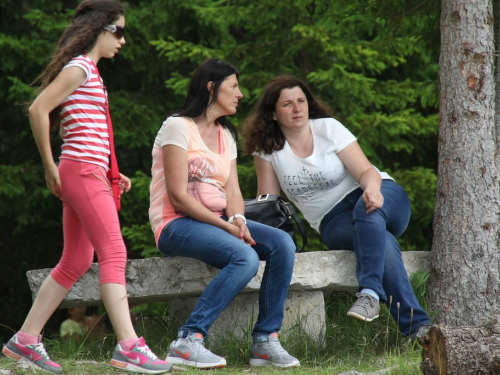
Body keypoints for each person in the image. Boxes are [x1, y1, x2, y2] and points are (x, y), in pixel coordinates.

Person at [1, 1, 171, 373]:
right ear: (101, 28)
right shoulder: (79, 67)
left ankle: (25, 341)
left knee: (76, 261)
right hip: (80, 171)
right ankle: (128, 347)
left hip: (88, 169)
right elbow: (37, 109)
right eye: (120, 31)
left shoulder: (89, 71)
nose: (123, 40)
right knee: (114, 252)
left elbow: (87, 129)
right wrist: (50, 166)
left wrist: (114, 171)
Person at [241, 76, 431, 339]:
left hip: (379, 194)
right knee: (381, 241)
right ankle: (419, 330)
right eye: (287, 104)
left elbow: (365, 170)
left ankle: (369, 293)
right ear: (273, 114)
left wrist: (373, 190)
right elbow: (268, 202)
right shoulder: (268, 150)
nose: (297, 108)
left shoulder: (328, 129)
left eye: (301, 101)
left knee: (366, 211)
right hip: (332, 221)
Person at [149, 58, 300, 369]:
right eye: (233, 86)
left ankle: (265, 341)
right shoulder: (177, 126)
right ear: (211, 88)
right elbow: (177, 196)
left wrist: (239, 220)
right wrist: (224, 225)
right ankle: (188, 339)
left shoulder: (225, 134)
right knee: (244, 258)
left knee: (282, 244)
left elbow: (232, 191)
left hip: (219, 222)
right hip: (176, 224)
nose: (240, 93)